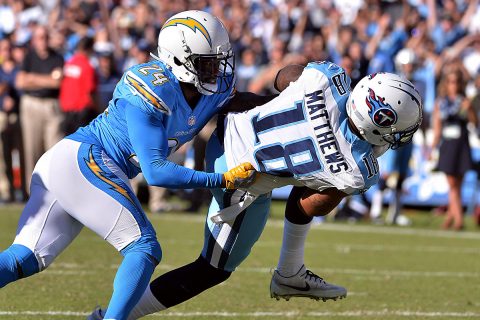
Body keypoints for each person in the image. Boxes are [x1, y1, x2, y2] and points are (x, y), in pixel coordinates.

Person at [90, 63, 423, 319]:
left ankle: (291, 272)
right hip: (238, 176)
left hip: (231, 126)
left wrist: (288, 106)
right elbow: (307, 204)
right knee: (211, 269)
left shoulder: (328, 76)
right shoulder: (356, 169)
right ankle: (111, 317)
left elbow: (284, 77)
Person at [0, 10, 273, 320]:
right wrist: (221, 179)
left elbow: (237, 101)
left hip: (75, 164)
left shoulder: (211, 87)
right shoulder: (153, 86)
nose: (216, 69)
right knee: (144, 249)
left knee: (23, 259)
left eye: (218, 60)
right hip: (83, 160)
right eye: (207, 62)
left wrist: (282, 96)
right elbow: (156, 170)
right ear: (179, 59)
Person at [14, 25, 65, 192]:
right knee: (32, 149)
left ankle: (56, 189)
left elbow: (56, 81)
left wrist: (32, 78)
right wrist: (46, 79)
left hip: (51, 105)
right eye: (39, 37)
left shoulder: (57, 57)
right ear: (34, 40)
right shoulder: (29, 57)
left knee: (54, 148)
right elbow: (20, 82)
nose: (42, 41)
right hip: (31, 103)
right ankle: (33, 190)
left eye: (45, 37)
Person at [430, 68, 477, 230]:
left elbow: (474, 123)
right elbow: (437, 127)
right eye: (451, 82)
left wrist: (469, 108)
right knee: (452, 184)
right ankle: (459, 220)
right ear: (446, 84)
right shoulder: (441, 102)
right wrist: (432, 148)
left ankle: (449, 219)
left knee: (458, 184)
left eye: (456, 82)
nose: (454, 85)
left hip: (462, 144)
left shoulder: (464, 101)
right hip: (448, 145)